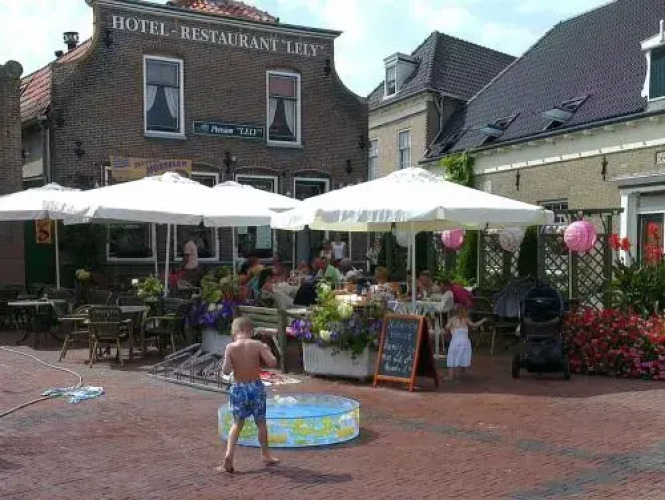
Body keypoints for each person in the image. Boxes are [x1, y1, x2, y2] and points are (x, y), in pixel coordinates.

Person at [220, 317, 279, 473]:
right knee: (261, 422)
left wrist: (229, 360)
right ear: (250, 331)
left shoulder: (230, 347)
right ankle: (265, 454)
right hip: (255, 387)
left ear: (235, 332)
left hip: (239, 388)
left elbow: (226, 370)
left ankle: (229, 455)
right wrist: (268, 349)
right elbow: (272, 363)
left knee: (237, 424)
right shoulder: (257, 345)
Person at [445, 306, 487, 381]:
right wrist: (482, 320)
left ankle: (450, 375)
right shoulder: (466, 319)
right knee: (462, 355)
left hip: (455, 341)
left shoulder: (452, 319)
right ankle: (462, 369)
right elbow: (474, 325)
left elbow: (447, 327)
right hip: (464, 341)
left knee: (452, 356)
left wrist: (452, 326)